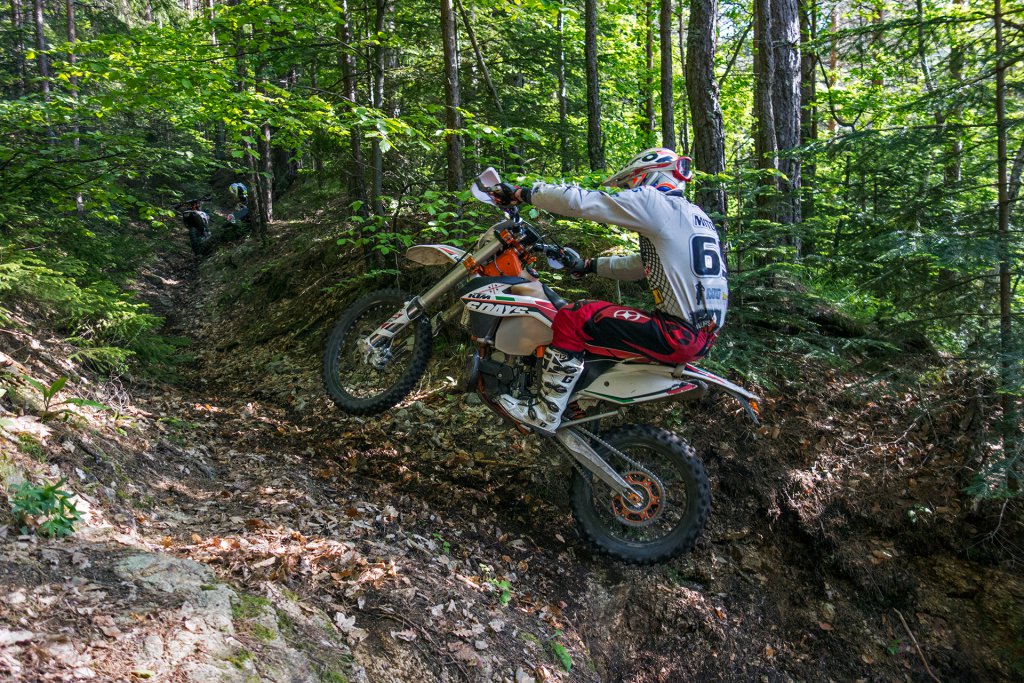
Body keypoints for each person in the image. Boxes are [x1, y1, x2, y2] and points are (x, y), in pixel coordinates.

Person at [486, 147, 729, 436]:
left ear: (647, 176)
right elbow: (642, 265)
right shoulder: (694, 216)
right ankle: (576, 400)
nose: (629, 191)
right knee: (591, 326)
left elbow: (582, 203)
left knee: (574, 316)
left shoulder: (657, 202)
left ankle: (545, 412)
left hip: (677, 332)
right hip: (699, 335)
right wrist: (589, 266)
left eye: (630, 184)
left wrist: (522, 193)